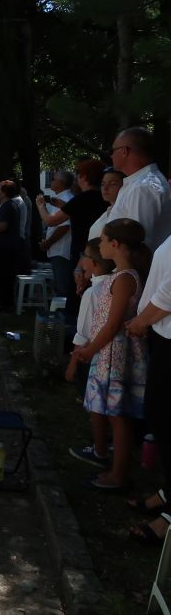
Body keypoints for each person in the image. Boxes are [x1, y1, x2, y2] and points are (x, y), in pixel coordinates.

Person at [71, 219, 149, 491]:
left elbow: (113, 323)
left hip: (115, 354)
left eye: (103, 240)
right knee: (110, 412)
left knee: (118, 417)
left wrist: (91, 348)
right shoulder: (119, 275)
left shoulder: (126, 278)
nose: (100, 244)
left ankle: (118, 474)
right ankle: (110, 463)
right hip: (108, 352)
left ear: (115, 244)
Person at [126, 228, 171, 543]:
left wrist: (143, 320)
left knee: (167, 421)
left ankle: (168, 520)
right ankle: (169, 492)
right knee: (160, 417)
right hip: (164, 333)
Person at [108, 126, 171, 250]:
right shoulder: (140, 183)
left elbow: (136, 243)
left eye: (113, 151)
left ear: (124, 151)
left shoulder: (142, 188)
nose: (111, 156)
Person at [65, 240, 114, 387]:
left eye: (84, 255)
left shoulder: (92, 293)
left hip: (91, 357)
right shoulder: (115, 284)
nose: (81, 260)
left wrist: (72, 366)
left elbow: (83, 335)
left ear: (94, 263)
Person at [38, 172, 75, 302]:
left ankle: (62, 318)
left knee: (63, 286)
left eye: (53, 179)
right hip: (58, 248)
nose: (51, 181)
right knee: (61, 284)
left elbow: (64, 226)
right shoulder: (60, 198)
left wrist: (48, 242)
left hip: (61, 249)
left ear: (61, 183)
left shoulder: (66, 199)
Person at [0, 181, 24, 311]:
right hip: (7, 247)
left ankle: (5, 303)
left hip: (6, 248)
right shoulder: (8, 205)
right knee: (4, 276)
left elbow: (3, 226)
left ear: (4, 192)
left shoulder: (8, 206)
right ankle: (5, 302)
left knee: (5, 276)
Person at [88, 168, 125, 240]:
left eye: (112, 184)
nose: (105, 188)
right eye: (103, 184)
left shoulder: (124, 212)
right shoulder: (107, 212)